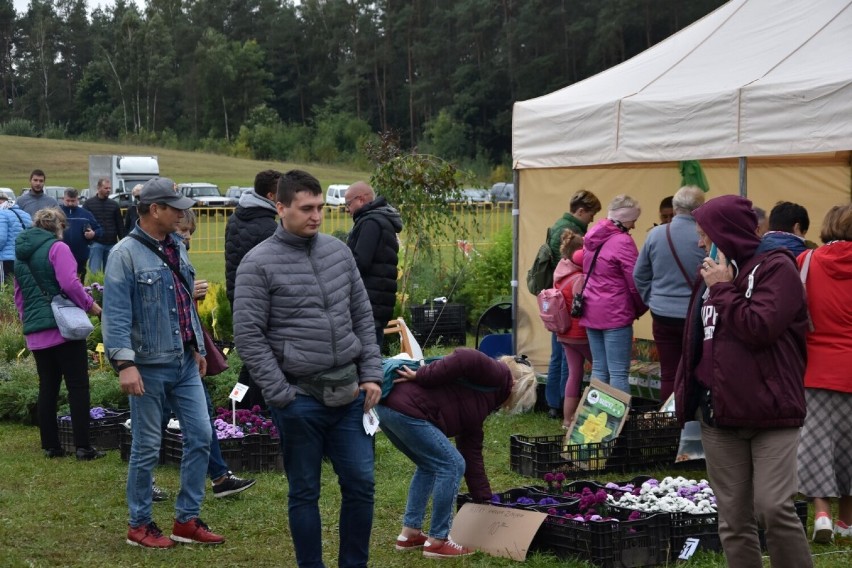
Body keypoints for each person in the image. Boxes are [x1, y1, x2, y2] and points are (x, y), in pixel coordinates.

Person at [233, 169, 382, 568]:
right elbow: (248, 336)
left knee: (361, 485)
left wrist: (371, 373)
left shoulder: (338, 251)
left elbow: (362, 316)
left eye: (320, 207)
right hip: (300, 398)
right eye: (306, 208)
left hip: (349, 394)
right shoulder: (258, 263)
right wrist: (282, 394)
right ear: (280, 207)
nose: (316, 216)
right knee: (304, 492)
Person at [674, 194, 812, 568]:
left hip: (771, 412)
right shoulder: (714, 271)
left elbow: (760, 327)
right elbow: (697, 340)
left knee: (774, 508)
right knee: (733, 519)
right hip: (719, 416)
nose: (700, 242)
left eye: (705, 233)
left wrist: (722, 289)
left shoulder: (775, 269)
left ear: (726, 232)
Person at [103, 177, 225, 548]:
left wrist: (197, 347)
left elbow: (184, 303)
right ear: (154, 209)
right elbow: (116, 313)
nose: (181, 213)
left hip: (184, 362)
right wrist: (125, 363)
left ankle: (186, 520)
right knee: (146, 447)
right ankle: (139, 525)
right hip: (147, 365)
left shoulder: (176, 246)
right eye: (174, 207)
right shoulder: (124, 254)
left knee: (202, 436)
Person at [377, 349, 524, 558]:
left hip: (388, 407)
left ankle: (410, 534)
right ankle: (438, 541)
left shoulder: (481, 404)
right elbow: (465, 357)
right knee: (452, 465)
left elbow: (472, 455)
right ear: (516, 384)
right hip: (405, 408)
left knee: (429, 465)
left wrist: (485, 502)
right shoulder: (499, 374)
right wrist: (422, 375)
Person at [175, 209, 256, 499]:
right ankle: (144, 485)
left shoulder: (179, 255)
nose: (186, 238)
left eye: (190, 233)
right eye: (182, 231)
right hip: (162, 355)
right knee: (154, 425)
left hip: (185, 352)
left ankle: (220, 477)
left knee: (202, 416)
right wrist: (186, 292)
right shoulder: (151, 255)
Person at [13, 207, 104, 460]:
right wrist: (91, 305)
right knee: (77, 386)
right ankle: (83, 447)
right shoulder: (57, 248)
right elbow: (69, 283)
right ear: (59, 226)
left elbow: (19, 295)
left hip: (37, 330)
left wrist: (29, 320)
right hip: (64, 328)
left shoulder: (21, 255)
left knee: (48, 387)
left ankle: (51, 446)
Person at [796, 204, 852, 544]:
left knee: (816, 444)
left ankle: (820, 515)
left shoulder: (805, 262)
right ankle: (847, 521)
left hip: (815, 368)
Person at [633, 186, 705, 401]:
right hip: (695, 315)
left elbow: (639, 275)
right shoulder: (704, 236)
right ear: (700, 209)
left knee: (669, 372)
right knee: (695, 370)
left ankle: (669, 423)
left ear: (674, 208)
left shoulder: (655, 234)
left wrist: (652, 299)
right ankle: (692, 423)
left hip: (662, 314)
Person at [224, 169, 280, 410]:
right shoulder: (268, 226)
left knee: (251, 359)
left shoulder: (238, 216)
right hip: (259, 300)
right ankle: (255, 412)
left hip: (238, 295)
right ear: (270, 194)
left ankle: (236, 406)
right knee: (262, 359)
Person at [581, 195, 647, 394]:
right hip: (615, 314)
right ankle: (618, 422)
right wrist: (641, 306)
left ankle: (597, 419)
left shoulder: (592, 236)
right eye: (633, 221)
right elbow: (636, 281)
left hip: (590, 310)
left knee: (599, 368)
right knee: (618, 373)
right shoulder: (623, 241)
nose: (634, 226)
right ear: (624, 219)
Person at [544, 189, 602, 418]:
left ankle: (554, 404)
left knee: (558, 355)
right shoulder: (572, 232)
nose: (592, 220)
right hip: (570, 315)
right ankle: (562, 404)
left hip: (558, 308)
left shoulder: (557, 225)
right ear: (581, 211)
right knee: (571, 364)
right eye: (591, 215)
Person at [345, 181, 403, 348]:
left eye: (349, 204)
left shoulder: (370, 222)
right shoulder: (380, 219)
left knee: (366, 358)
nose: (347, 209)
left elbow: (360, 262)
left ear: (361, 199)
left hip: (369, 304)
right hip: (378, 303)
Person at [552, 229, 591, 427]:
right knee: (602, 369)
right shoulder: (579, 278)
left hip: (564, 333)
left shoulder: (560, 273)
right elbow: (582, 306)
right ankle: (598, 414)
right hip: (580, 334)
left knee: (574, 374)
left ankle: (567, 420)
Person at [59, 188, 102, 282]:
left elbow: (99, 230)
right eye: (68, 201)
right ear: (63, 199)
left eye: (73, 201)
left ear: (77, 200)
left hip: (80, 256)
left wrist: (93, 234)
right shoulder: (56, 213)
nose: (70, 203)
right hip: (60, 255)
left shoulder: (85, 214)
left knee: (78, 283)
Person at [84, 177, 125, 275]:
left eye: (109, 188)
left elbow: (120, 225)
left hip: (112, 244)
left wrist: (123, 241)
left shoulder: (114, 205)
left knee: (111, 274)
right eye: (106, 188)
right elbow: (85, 223)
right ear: (98, 188)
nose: (108, 190)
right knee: (95, 274)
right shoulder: (88, 204)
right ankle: (94, 290)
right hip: (96, 244)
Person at [0, 193, 32, 285]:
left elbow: (1, 239)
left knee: (4, 289)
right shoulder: (25, 215)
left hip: (5, 260)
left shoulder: (2, 214)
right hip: (23, 259)